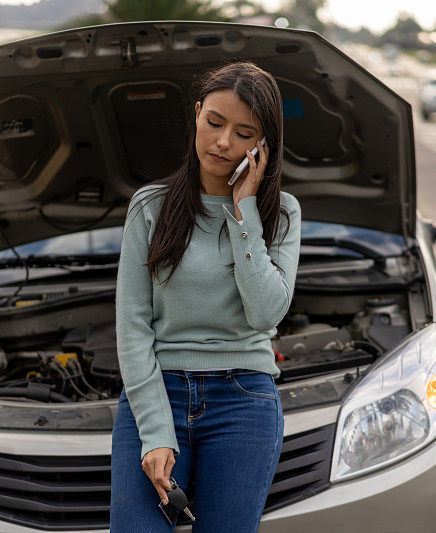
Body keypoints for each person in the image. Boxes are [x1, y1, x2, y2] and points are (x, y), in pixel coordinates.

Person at [110, 61, 301, 532]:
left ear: (262, 144)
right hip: (158, 391)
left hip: (244, 401)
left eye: (242, 132)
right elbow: (132, 324)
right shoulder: (151, 207)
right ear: (196, 114)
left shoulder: (282, 214)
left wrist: (243, 212)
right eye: (214, 123)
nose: (221, 142)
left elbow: (265, 313)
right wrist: (155, 433)